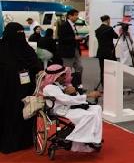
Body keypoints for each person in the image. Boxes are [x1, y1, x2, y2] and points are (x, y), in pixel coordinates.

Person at [0, 22, 43, 154]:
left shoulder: (27, 49)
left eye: (21, 33)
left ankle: (23, 141)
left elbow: (37, 65)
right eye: (17, 33)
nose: (19, 36)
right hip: (6, 91)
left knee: (23, 114)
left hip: (24, 91)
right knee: (8, 114)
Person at [40, 64, 102, 152]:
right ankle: (72, 140)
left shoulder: (62, 85)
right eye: (63, 75)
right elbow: (65, 100)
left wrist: (74, 92)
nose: (65, 76)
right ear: (55, 77)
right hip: (60, 110)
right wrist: (88, 95)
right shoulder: (49, 88)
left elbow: (74, 97)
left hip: (71, 106)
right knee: (89, 115)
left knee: (97, 108)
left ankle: (94, 138)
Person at [58, 9, 84, 87]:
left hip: (75, 49)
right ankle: (66, 87)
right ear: (69, 16)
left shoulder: (73, 25)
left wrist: (79, 38)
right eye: (75, 15)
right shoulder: (64, 25)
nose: (77, 17)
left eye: (77, 15)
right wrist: (74, 38)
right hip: (67, 51)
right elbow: (62, 39)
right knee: (67, 70)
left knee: (80, 67)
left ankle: (78, 85)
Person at [95, 15, 119, 90]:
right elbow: (116, 36)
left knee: (102, 69)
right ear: (108, 20)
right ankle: (111, 84)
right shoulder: (109, 28)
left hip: (101, 52)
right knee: (111, 69)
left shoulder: (97, 30)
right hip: (109, 52)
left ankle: (104, 85)